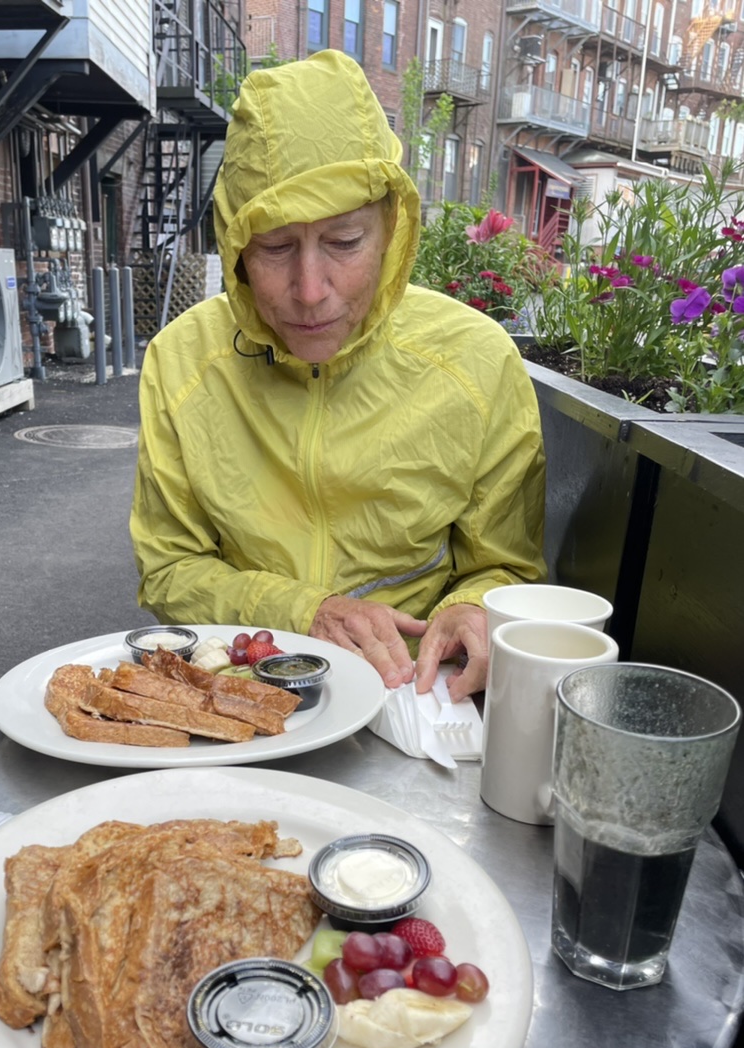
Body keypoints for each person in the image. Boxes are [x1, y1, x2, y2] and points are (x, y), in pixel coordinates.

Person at [130, 50, 545, 699]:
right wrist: (301, 612)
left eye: (345, 243)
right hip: (240, 679)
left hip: (415, 691)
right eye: (274, 248)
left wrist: (471, 610)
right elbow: (168, 569)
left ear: (390, 229)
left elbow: (507, 566)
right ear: (235, 250)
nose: (311, 290)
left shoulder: (477, 360)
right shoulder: (182, 361)